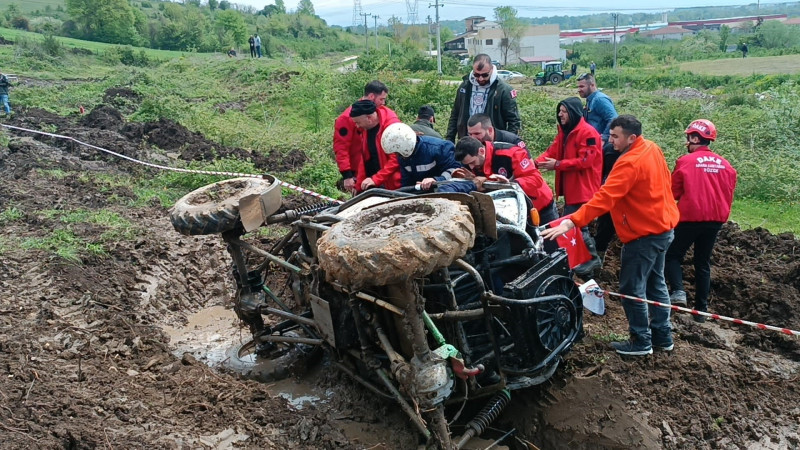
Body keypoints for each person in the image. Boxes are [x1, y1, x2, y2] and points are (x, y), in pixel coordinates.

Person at [542, 115, 679, 356]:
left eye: (615, 136)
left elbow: (604, 198)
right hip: (664, 228)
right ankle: (662, 336)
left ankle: (641, 341)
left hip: (643, 234)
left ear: (631, 138)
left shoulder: (629, 163)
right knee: (655, 283)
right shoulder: (652, 148)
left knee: (631, 287)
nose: (610, 140)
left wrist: (572, 221)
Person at [665, 120, 737, 323]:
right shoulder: (726, 165)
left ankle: (678, 292)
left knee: (672, 255)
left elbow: (673, 192)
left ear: (695, 138)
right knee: (702, 262)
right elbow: (729, 191)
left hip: (690, 217)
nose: (687, 141)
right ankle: (701, 311)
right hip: (715, 220)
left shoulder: (685, 162)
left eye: (689, 137)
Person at [535, 97, 603, 276]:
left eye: (563, 111)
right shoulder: (565, 132)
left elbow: (586, 161)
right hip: (572, 189)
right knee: (578, 225)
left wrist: (557, 164)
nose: (560, 115)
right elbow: (551, 151)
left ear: (573, 112)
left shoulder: (588, 133)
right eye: (559, 111)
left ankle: (587, 261)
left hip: (584, 188)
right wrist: (533, 164)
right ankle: (585, 264)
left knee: (573, 224)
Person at [454, 136, 558, 226]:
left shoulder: (511, 153)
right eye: (468, 164)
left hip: (539, 206)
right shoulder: (469, 161)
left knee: (550, 244)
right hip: (508, 212)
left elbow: (535, 179)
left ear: (481, 151)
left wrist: (509, 184)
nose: (471, 166)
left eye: (473, 162)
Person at [577, 72, 619, 264]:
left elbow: (613, 119)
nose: (580, 90)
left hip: (605, 151)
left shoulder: (600, 100)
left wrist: (602, 139)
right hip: (596, 150)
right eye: (578, 87)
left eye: (582, 87)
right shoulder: (590, 101)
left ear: (592, 85)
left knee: (602, 184)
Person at [333, 81, 396, 194]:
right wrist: (347, 175)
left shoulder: (386, 117)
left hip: (382, 171)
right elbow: (341, 148)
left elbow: (395, 157)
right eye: (381, 99)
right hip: (359, 171)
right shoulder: (347, 118)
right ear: (372, 96)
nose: (383, 103)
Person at [446, 53, 521, 142]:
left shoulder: (503, 90)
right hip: (467, 140)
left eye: (485, 75)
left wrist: (507, 144)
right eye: (476, 75)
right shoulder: (464, 87)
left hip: (492, 142)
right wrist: (449, 140)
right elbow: (455, 114)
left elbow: (514, 121)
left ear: (492, 69)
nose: (480, 79)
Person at [381, 123, 462, 190]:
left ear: (407, 146)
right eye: (396, 153)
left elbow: (455, 170)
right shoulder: (403, 156)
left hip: (447, 189)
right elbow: (406, 182)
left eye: (398, 153)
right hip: (422, 192)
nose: (398, 156)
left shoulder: (440, 148)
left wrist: (436, 180)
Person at [349, 99, 401, 192]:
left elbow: (396, 159)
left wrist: (376, 179)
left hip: (394, 186)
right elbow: (365, 159)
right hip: (375, 182)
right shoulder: (366, 129)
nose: (357, 126)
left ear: (369, 118)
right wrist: (358, 185)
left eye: (358, 122)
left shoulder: (391, 128)